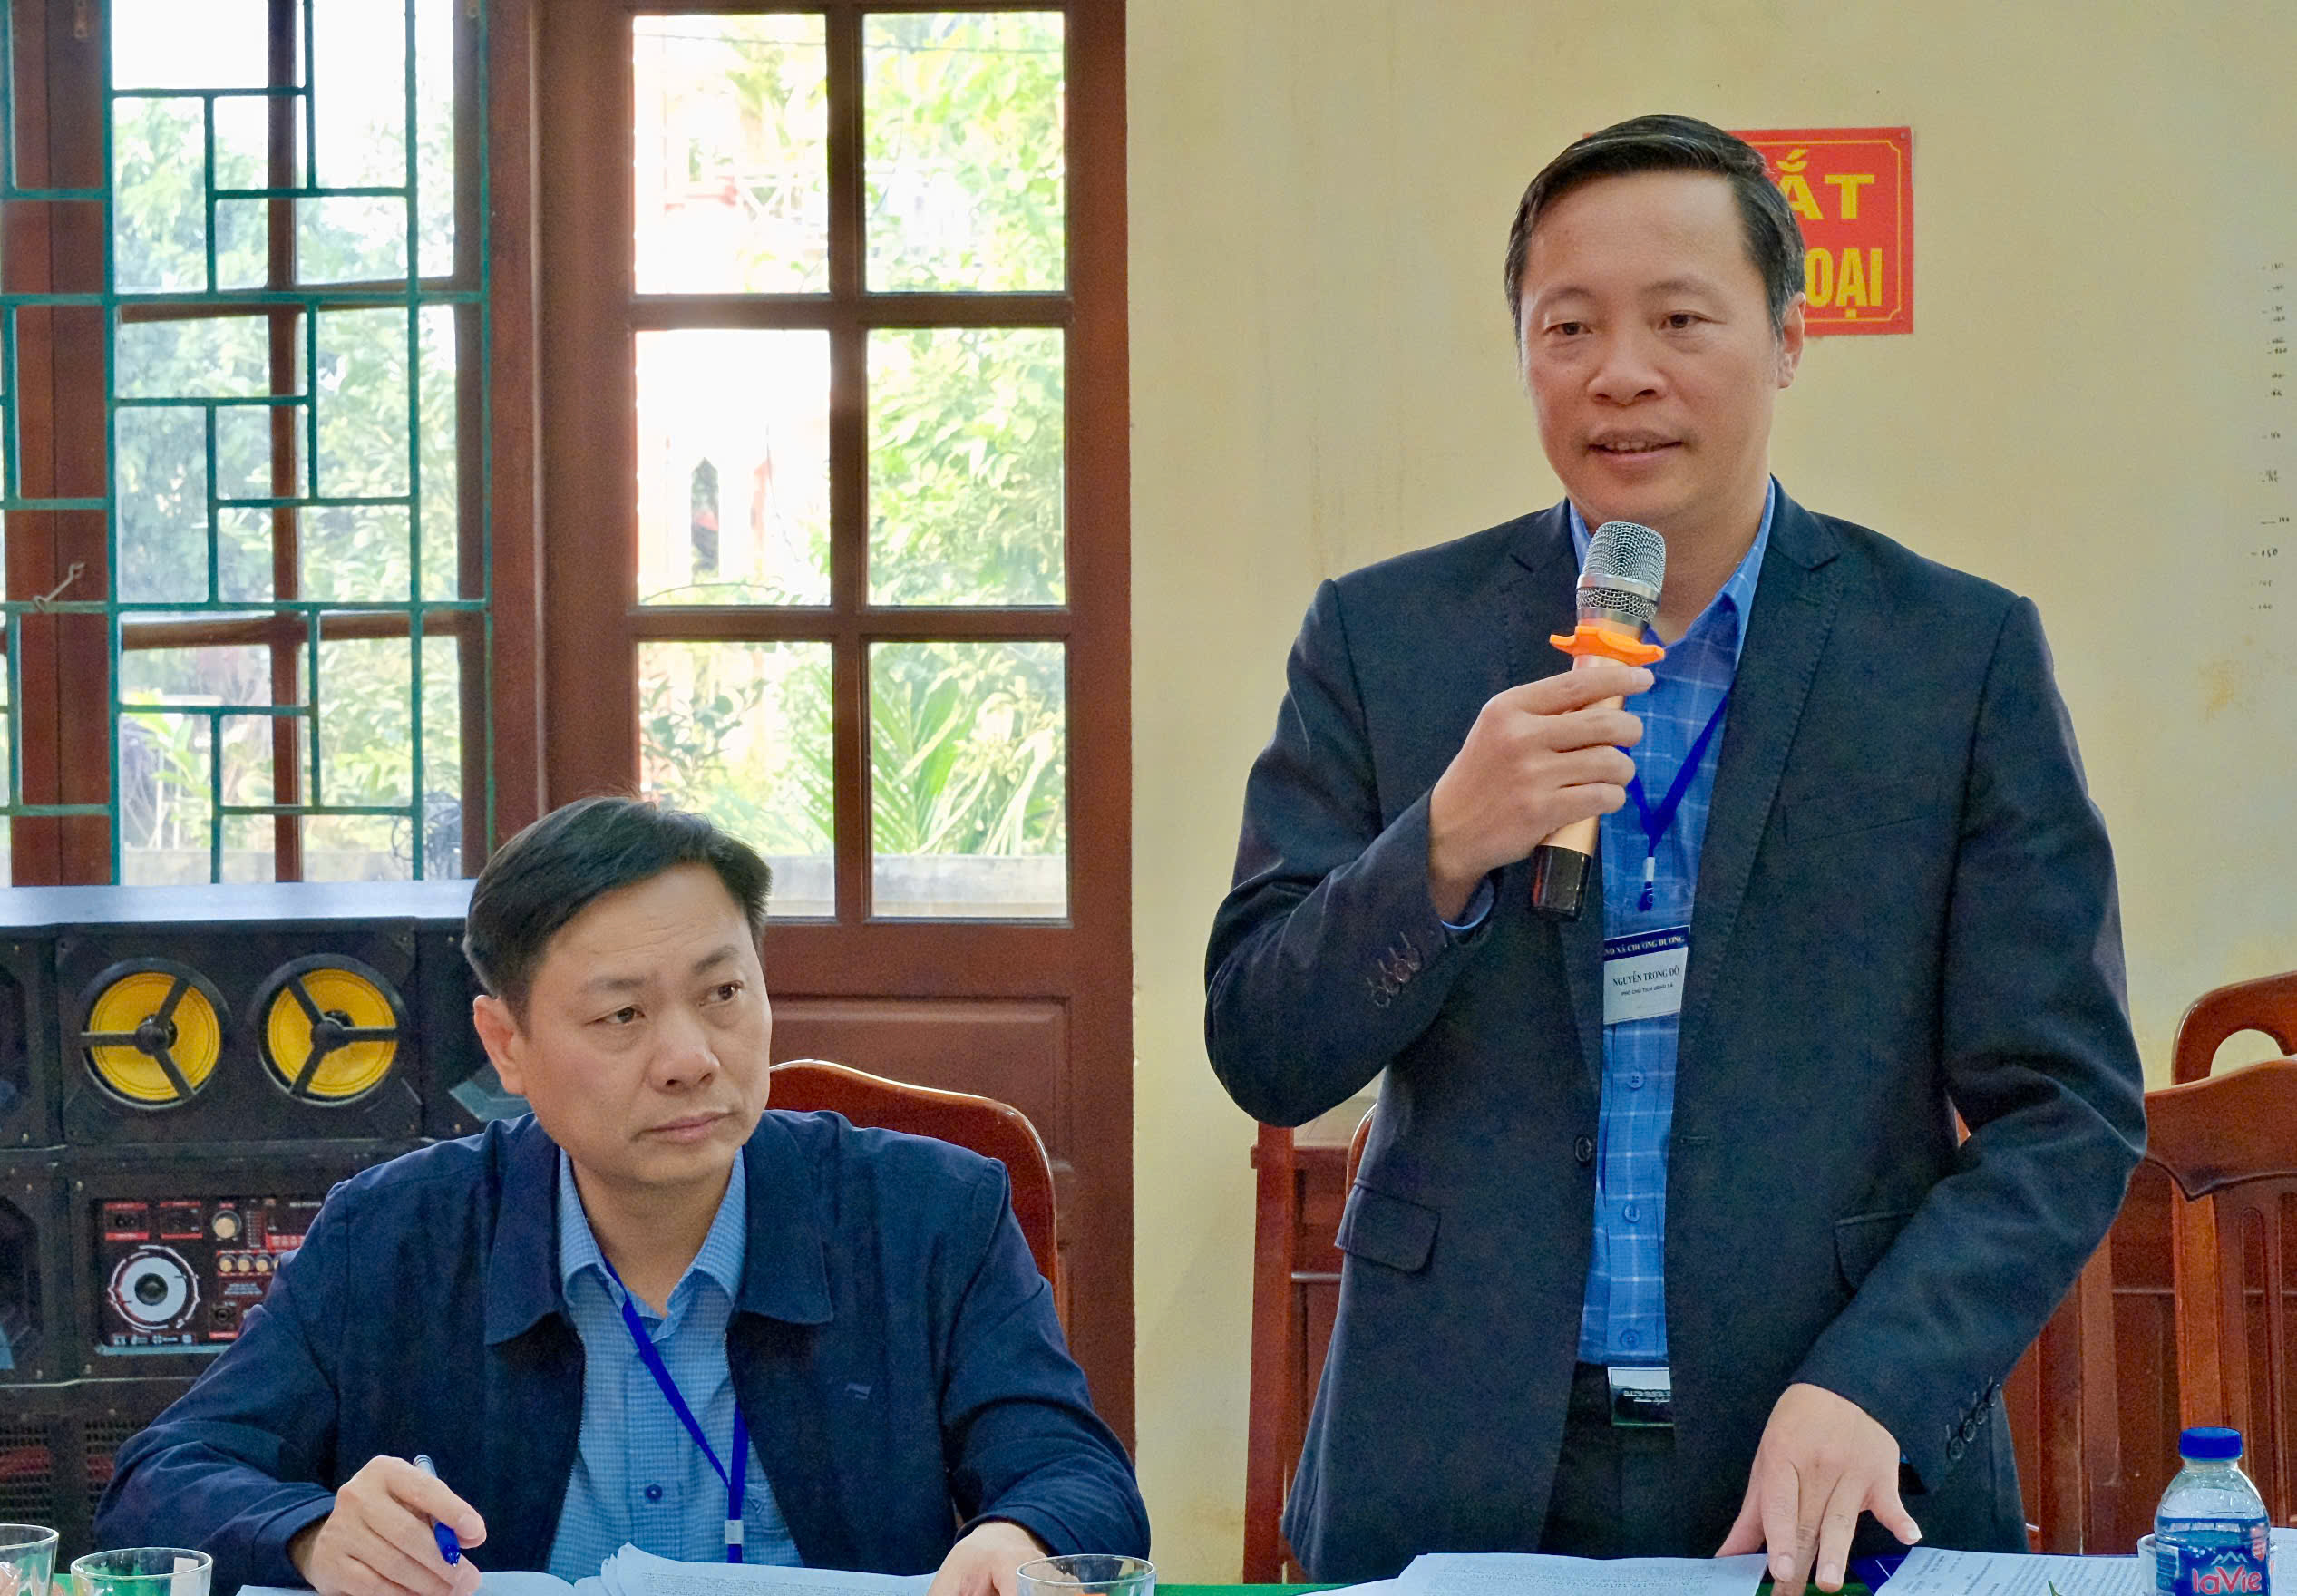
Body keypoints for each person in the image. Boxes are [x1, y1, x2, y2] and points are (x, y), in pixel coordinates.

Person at [1204, 114, 2145, 1589]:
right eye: (1567, 325)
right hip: (1447, 1453)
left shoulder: (1952, 657)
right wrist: (1440, 848)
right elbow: (1265, 1049)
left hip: (1821, 1455)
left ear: (1786, 339)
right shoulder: (1383, 640)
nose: (1619, 372)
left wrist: (1877, 1383)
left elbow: (2064, 1107)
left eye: (1679, 320)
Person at [98, 797, 1147, 1596]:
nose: (691, 1057)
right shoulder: (394, 1233)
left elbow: (1076, 1473)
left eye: (723, 992)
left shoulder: (929, 1214)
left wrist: (1021, 1536)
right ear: (507, 1043)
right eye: (621, 1016)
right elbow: (160, 1478)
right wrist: (313, 1532)